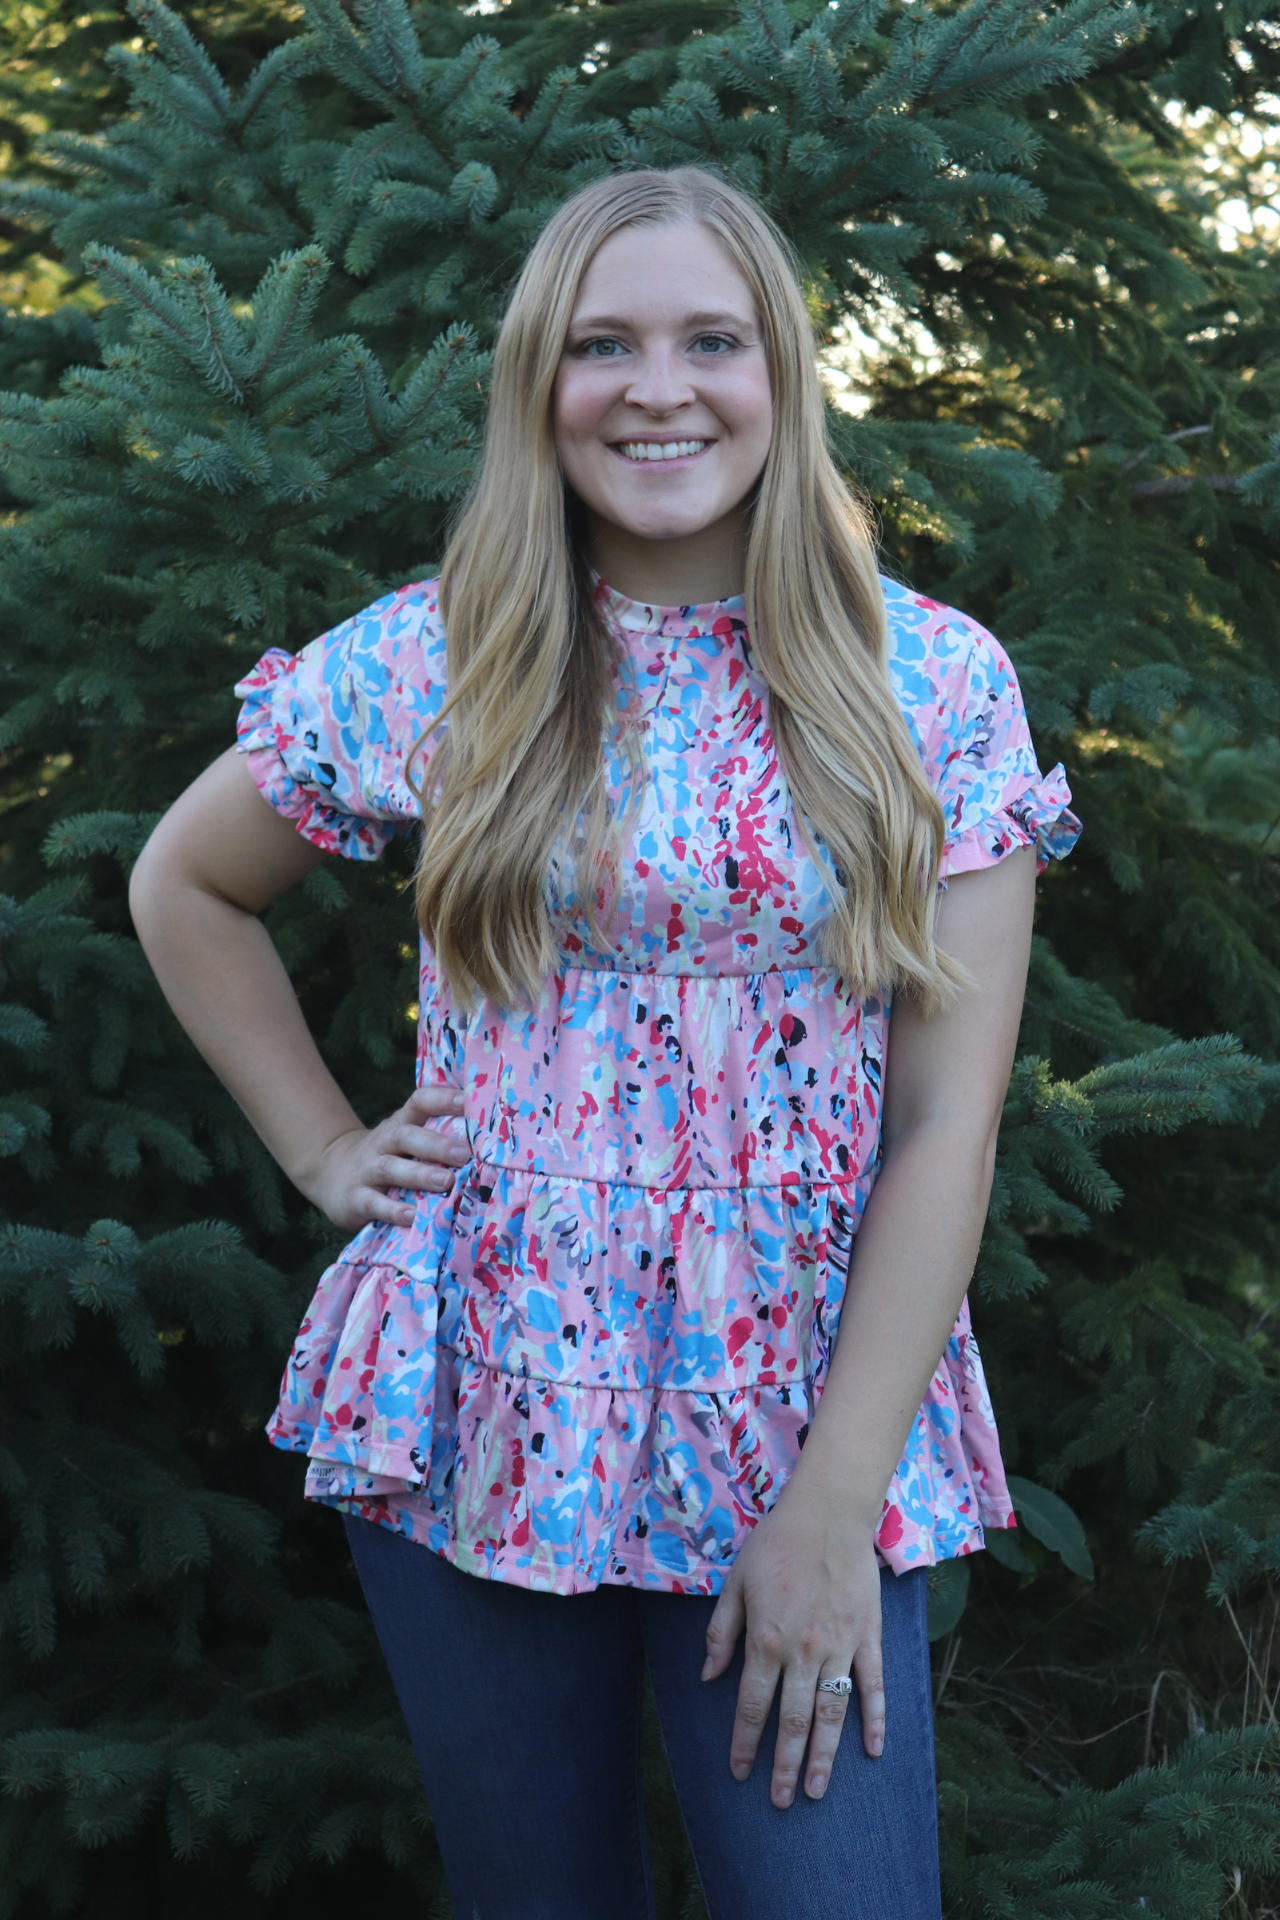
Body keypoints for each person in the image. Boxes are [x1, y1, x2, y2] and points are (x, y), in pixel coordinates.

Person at [130, 166, 1079, 1919]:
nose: (659, 390)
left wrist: (833, 1510)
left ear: (780, 372)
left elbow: (946, 1129)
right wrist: (327, 1149)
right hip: (484, 1384)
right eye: (603, 346)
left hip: (795, 1415)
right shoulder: (446, 657)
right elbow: (187, 882)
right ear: (539, 384)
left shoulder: (931, 684)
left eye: (712, 341)